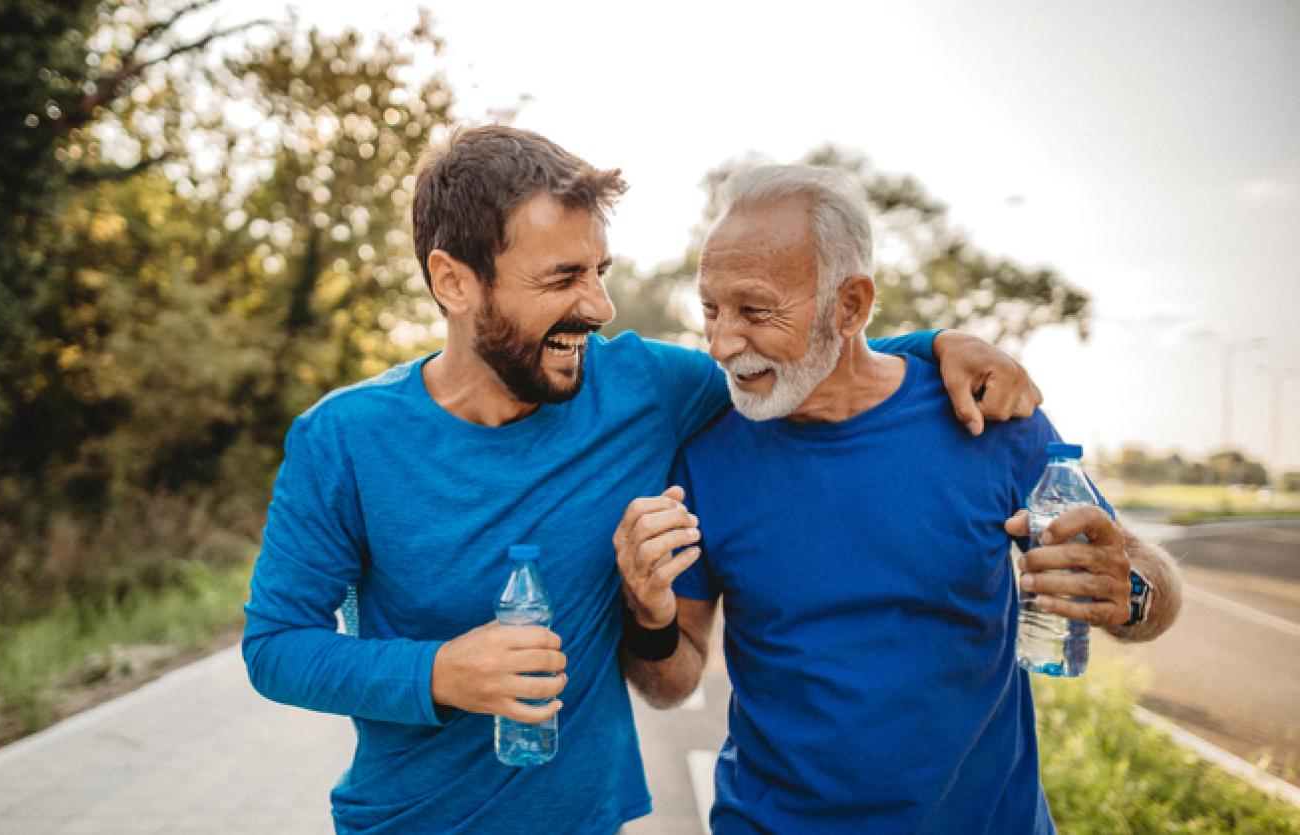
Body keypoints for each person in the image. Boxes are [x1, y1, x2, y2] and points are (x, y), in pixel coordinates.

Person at [242, 126, 1043, 834]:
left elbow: (802, 354)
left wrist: (939, 344)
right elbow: (275, 645)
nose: (599, 304)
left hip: (590, 818)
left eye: (601, 268)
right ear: (454, 281)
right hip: (408, 821)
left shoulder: (644, 389)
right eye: (562, 278)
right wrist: (437, 672)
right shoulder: (342, 439)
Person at [614, 164, 1182, 834]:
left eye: (755, 310)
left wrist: (1134, 591)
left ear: (850, 305)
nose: (721, 342)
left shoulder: (987, 417)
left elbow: (1149, 588)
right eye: (710, 308)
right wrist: (645, 614)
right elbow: (671, 682)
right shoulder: (706, 456)